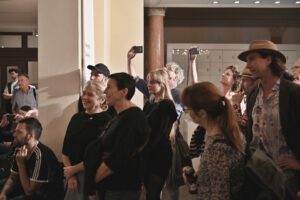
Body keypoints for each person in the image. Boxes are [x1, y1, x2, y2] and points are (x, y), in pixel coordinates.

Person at [238, 40, 300, 199]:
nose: (248, 65)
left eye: (252, 58)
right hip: (258, 170)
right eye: (247, 60)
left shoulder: (292, 93)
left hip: (286, 174)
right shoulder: (253, 94)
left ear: (269, 59)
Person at [86, 72, 149, 200]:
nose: (105, 91)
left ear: (124, 91)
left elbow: (119, 157)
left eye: (109, 87)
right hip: (109, 186)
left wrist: (90, 182)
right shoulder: (118, 115)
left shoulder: (134, 117)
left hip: (121, 188)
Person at [181, 81, 245, 199]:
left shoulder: (218, 148)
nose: (187, 112)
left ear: (202, 113)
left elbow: (220, 195)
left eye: (188, 108)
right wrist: (198, 180)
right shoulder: (224, 133)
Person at [62, 80, 112, 200]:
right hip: (72, 177)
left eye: (90, 94)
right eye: (84, 93)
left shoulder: (108, 121)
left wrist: (73, 170)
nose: (84, 97)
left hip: (95, 176)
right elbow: (65, 151)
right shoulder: (76, 118)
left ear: (101, 99)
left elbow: (100, 155)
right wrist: (71, 176)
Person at [0, 118, 64, 200]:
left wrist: (21, 164)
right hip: (26, 188)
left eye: (19, 132)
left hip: (45, 195)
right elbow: (13, 177)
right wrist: (3, 193)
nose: (14, 134)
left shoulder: (41, 155)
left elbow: (29, 191)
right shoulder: (20, 148)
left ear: (30, 136)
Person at [143, 69, 178, 200]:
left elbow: (162, 133)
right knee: (149, 193)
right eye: (148, 82)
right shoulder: (149, 104)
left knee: (153, 193)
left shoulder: (167, 105)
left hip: (159, 153)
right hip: (147, 153)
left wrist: (145, 149)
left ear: (162, 84)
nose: (148, 84)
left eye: (152, 82)